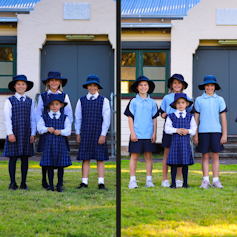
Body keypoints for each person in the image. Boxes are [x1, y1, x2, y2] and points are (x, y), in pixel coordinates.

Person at [35, 71, 73, 189]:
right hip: (48, 129)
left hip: (60, 130)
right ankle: (45, 181)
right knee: (47, 157)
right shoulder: (43, 96)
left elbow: (69, 114)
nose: (54, 83)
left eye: (57, 80)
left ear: (60, 82)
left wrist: (66, 131)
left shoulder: (64, 96)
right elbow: (38, 114)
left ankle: (58, 183)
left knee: (58, 157)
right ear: (48, 82)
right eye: (52, 80)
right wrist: (42, 129)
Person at [75, 74, 110, 191]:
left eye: (94, 85)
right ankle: (84, 182)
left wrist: (103, 134)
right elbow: (78, 118)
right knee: (86, 158)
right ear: (87, 87)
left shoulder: (104, 100)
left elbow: (106, 119)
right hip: (85, 132)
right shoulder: (81, 100)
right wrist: (78, 133)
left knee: (100, 158)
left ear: (98, 87)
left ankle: (101, 183)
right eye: (90, 85)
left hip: (98, 133)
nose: (92, 87)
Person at [124, 75, 159, 189]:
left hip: (148, 134)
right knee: (134, 157)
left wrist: (154, 133)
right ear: (137, 87)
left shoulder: (152, 102)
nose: (143, 87)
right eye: (141, 85)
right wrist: (132, 133)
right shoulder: (133, 101)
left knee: (148, 157)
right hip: (137, 134)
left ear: (148, 87)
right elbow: (130, 118)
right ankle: (132, 181)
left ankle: (149, 180)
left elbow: (154, 118)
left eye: (145, 85)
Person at [193, 75, 227, 189]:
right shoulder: (199, 100)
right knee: (205, 157)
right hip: (203, 132)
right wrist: (195, 134)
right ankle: (206, 180)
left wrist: (224, 134)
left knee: (216, 156)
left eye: (212, 85)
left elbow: (223, 118)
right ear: (204, 86)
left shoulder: (220, 99)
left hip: (216, 132)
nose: (209, 87)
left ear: (215, 87)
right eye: (207, 85)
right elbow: (196, 119)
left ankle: (216, 180)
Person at [159, 74, 192, 188]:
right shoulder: (166, 97)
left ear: (182, 85)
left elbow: (190, 115)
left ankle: (178, 179)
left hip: (183, 130)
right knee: (167, 154)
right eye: (175, 83)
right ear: (171, 85)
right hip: (170, 129)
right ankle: (165, 179)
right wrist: (163, 115)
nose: (177, 85)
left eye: (179, 83)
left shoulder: (186, 97)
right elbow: (162, 112)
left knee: (180, 154)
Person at [3, 75, 36, 190]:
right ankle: (12, 183)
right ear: (14, 86)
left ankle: (23, 183)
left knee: (25, 158)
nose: (21, 86)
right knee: (13, 158)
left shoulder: (30, 101)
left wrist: (33, 133)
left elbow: (33, 119)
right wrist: (10, 133)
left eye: (23, 84)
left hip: (26, 132)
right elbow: (7, 118)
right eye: (18, 84)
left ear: (26, 86)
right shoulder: (9, 101)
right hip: (15, 133)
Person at [165, 93, 197, 188]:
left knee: (184, 163)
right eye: (178, 103)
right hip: (175, 143)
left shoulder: (190, 116)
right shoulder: (170, 116)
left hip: (185, 143)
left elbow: (194, 129)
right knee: (174, 163)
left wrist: (188, 131)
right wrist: (176, 130)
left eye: (183, 102)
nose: (181, 105)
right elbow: (167, 129)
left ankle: (185, 183)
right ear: (175, 104)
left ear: (187, 104)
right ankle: (173, 183)